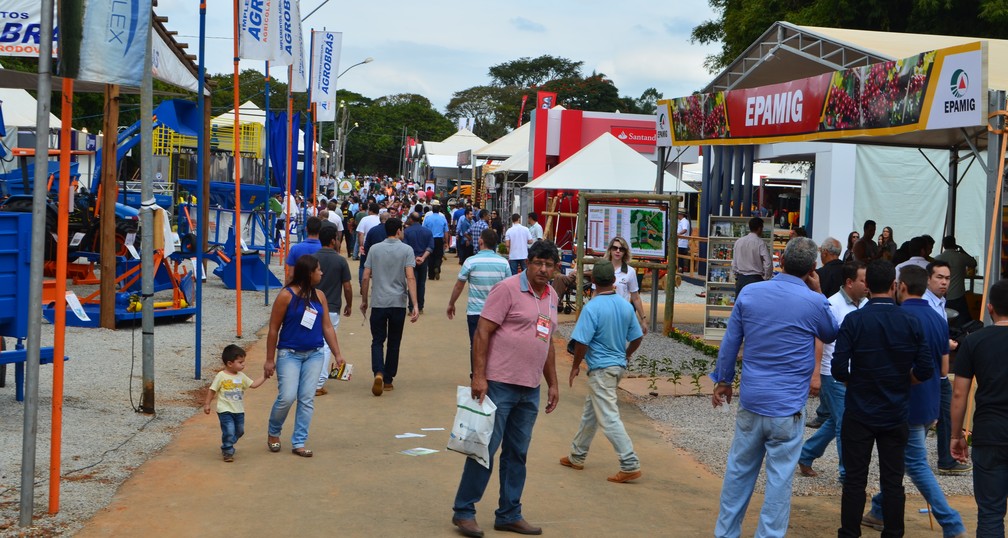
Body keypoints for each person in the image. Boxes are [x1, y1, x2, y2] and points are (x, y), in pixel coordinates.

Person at [711, 237, 839, 538]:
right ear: (812, 268)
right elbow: (831, 332)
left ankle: (726, 533)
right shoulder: (815, 301)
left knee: (738, 474)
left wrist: (724, 380)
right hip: (787, 407)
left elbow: (731, 341)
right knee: (779, 482)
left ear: (780, 262)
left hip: (753, 400)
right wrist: (819, 291)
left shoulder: (751, 294)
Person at [451, 240, 561, 538]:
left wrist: (553, 383)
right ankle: (464, 511)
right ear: (528, 262)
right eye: (538, 262)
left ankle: (509, 513)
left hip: (530, 388)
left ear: (555, 269)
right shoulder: (508, 288)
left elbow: (547, 341)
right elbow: (482, 332)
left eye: (549, 265)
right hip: (499, 383)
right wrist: (479, 376)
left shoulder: (551, 295)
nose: (543, 269)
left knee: (518, 453)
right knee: (484, 449)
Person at [859, 265, 967, 538]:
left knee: (915, 463)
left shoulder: (899, 317)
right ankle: (880, 509)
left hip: (902, 401)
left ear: (901, 286)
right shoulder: (938, 318)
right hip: (928, 397)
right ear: (925, 284)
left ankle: (952, 523)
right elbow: (943, 370)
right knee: (901, 459)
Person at [832, 260, 933, 538]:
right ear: (894, 286)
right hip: (895, 409)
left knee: (854, 480)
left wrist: (858, 380)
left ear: (867, 288)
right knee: (893, 481)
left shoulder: (854, 321)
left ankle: (849, 533)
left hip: (859, 410)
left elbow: (838, 368)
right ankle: (893, 532)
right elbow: (925, 368)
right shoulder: (910, 321)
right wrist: (903, 379)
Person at [561, 259, 644, 482]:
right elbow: (637, 337)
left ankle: (629, 462)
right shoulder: (626, 306)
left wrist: (576, 366)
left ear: (594, 280)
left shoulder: (592, 307)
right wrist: (626, 355)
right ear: (615, 280)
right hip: (616, 367)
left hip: (600, 369)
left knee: (608, 416)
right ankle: (577, 454)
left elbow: (581, 343)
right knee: (592, 412)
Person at [265, 255, 346, 458]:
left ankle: (299, 441)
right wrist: (269, 359)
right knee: (287, 396)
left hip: (315, 354)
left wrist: (337, 353)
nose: (321, 272)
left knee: (307, 398)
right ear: (308, 273)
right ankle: (274, 431)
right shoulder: (286, 296)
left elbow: (327, 326)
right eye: (318, 270)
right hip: (289, 354)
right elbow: (274, 329)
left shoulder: (319, 296)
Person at [798, 260, 867, 479]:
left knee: (836, 420)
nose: (868, 285)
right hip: (833, 374)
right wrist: (816, 374)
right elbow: (819, 340)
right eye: (863, 280)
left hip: (854, 375)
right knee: (844, 423)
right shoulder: (832, 304)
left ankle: (805, 454)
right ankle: (846, 474)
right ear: (849, 282)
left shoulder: (865, 304)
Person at [950, 280, 1008, 537]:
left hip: (989, 432)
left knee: (990, 513)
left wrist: (956, 435)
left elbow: (960, 393)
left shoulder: (975, 341)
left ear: (991, 308)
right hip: (990, 433)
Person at [923, 260, 972, 476]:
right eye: (939, 277)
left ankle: (945, 459)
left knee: (944, 412)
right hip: (928, 369)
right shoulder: (925, 303)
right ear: (928, 279)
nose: (944, 282)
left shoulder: (940, 303)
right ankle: (907, 457)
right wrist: (946, 344)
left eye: (947, 278)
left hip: (939, 370)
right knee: (925, 417)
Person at [360, 218, 419, 397]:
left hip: (378, 301)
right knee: (394, 342)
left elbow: (365, 276)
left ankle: (378, 371)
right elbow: (410, 277)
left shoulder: (375, 249)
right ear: (399, 230)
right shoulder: (407, 250)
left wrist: (364, 300)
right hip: (398, 303)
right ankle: (388, 379)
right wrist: (414, 304)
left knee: (377, 340)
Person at [447, 228, 511, 377]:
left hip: (476, 312)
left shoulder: (471, 261)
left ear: (481, 241)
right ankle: (494, 375)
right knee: (496, 345)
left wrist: (451, 303)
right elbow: (510, 288)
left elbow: (459, 285)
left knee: (475, 345)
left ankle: (476, 374)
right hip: (497, 313)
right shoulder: (504, 263)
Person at [203, 344, 266, 462]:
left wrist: (265, 376)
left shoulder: (242, 376)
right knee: (229, 430)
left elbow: (253, 385)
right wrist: (207, 404)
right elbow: (212, 390)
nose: (243, 364)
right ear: (230, 363)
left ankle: (229, 442)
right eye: (240, 362)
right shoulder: (221, 376)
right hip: (225, 410)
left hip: (239, 410)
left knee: (240, 431)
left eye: (243, 362)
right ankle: (227, 450)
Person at [313, 225, 352, 396]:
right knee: (327, 345)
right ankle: (318, 383)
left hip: (312, 306)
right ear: (332, 240)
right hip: (332, 307)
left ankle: (308, 378)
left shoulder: (312, 259)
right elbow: (347, 286)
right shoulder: (340, 261)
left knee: (313, 343)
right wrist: (349, 304)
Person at [602, 236, 648, 335]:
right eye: (615, 248)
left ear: (625, 252)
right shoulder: (602, 268)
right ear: (610, 250)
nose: (618, 251)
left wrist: (643, 319)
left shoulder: (630, 271)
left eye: (621, 249)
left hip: (621, 315)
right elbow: (595, 294)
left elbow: (635, 297)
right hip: (603, 314)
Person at [934, 235, 977, 321]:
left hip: (942, 295)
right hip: (958, 294)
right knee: (963, 321)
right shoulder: (961, 257)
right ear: (955, 245)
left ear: (943, 245)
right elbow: (973, 263)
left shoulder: (937, 259)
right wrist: (963, 251)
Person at [729, 216, 773, 295]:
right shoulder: (760, 243)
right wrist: (766, 278)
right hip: (756, 279)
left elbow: (734, 262)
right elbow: (768, 263)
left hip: (741, 279)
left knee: (741, 304)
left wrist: (737, 277)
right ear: (759, 228)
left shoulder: (739, 241)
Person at [403, 211, 434, 314]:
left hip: (411, 261)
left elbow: (406, 247)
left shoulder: (407, 232)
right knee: (421, 284)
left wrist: (415, 257)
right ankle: (420, 307)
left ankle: (412, 306)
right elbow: (430, 247)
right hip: (423, 261)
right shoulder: (428, 232)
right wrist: (423, 258)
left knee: (412, 282)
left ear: (411, 219)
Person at [285, 216, 323, 282]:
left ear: (306, 229)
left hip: (300, 288)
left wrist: (286, 290)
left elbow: (291, 275)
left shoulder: (295, 248)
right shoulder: (323, 248)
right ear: (320, 230)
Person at [422, 200, 449, 280]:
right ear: (439, 209)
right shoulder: (443, 218)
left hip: (430, 239)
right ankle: (437, 266)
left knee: (430, 256)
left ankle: (431, 275)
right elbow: (446, 231)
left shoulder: (427, 218)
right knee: (438, 255)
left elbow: (424, 230)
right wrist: (446, 242)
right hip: (439, 239)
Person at [676, 208, 691, 274]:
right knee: (680, 258)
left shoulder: (684, 221)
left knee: (680, 258)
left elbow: (685, 230)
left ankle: (680, 271)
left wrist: (678, 234)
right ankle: (680, 270)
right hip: (681, 242)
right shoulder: (683, 221)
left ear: (681, 214)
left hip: (682, 243)